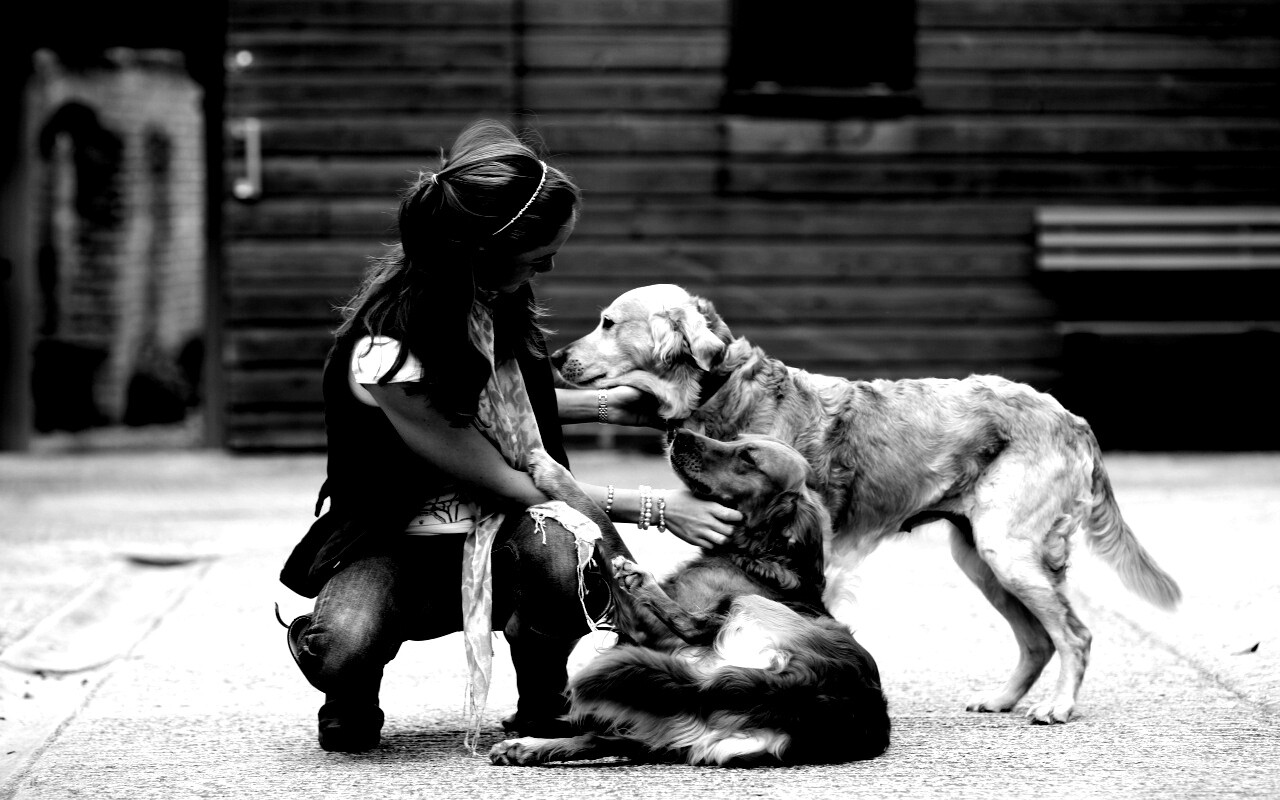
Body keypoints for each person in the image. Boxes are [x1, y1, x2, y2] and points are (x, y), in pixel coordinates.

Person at [277, 119, 742, 754]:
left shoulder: (489, 302)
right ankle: (347, 687)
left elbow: (498, 412)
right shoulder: (384, 352)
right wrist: (655, 507)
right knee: (345, 643)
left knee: (558, 558)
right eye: (538, 255)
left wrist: (612, 405)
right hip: (395, 541)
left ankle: (543, 698)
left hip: (499, 536)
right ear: (480, 250)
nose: (548, 266)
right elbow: (505, 475)